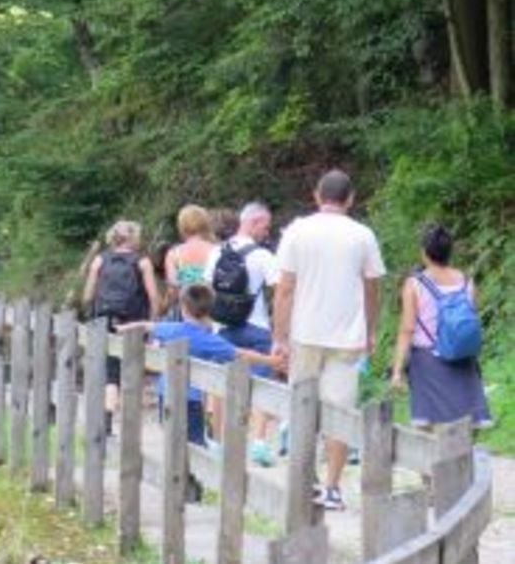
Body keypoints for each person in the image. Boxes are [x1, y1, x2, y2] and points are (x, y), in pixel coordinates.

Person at [272, 169, 386, 511]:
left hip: (304, 333)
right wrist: (370, 330)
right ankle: (333, 487)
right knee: (339, 409)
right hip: (346, 337)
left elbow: (285, 288)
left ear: (317, 196)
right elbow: (372, 288)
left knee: (302, 405)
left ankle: (304, 481)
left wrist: (279, 336)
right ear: (351, 198)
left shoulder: (297, 231)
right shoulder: (362, 235)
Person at [120, 285, 280, 448]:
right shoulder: (208, 340)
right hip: (191, 400)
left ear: (183, 307)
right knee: (194, 445)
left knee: (172, 440)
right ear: (210, 310)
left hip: (165, 393)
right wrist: (270, 360)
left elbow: (145, 325)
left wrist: (121, 329)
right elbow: (242, 354)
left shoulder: (171, 329)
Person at [389, 225, 491, 429]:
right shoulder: (466, 281)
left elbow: (407, 329)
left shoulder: (415, 284)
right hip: (464, 361)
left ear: (425, 252)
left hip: (428, 362)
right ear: (449, 252)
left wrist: (397, 370)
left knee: (430, 430)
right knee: (465, 428)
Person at [205, 202, 281, 465]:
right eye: (265, 226)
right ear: (254, 222)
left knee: (218, 383)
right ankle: (258, 443)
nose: (266, 233)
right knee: (263, 384)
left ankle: (217, 442)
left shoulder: (216, 252)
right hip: (257, 326)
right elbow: (281, 290)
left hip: (223, 327)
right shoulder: (262, 256)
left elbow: (207, 289)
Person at [82, 221, 162, 432]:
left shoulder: (99, 260)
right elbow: (153, 296)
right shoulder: (142, 262)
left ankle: (107, 420)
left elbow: (88, 295)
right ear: (134, 238)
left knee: (111, 371)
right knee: (134, 368)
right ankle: (130, 422)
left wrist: (91, 313)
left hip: (106, 319)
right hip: (134, 321)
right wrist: (153, 323)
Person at [164, 205, 216, 319]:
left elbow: (172, 290)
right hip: (211, 311)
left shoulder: (174, 254)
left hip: (185, 312)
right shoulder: (217, 250)